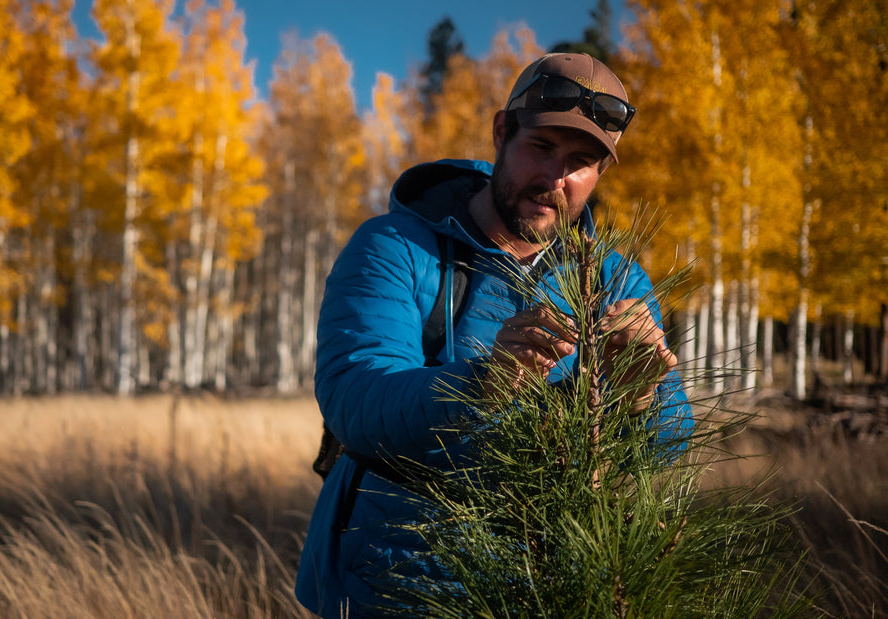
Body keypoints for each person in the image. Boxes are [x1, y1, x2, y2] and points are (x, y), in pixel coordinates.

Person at [295, 52, 694, 618]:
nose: (555, 179)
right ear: (502, 131)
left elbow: (673, 435)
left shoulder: (616, 281)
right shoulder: (395, 249)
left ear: (601, 174)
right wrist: (484, 384)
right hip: (392, 582)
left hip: (549, 582)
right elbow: (355, 399)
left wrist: (638, 395)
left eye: (580, 162)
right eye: (542, 148)